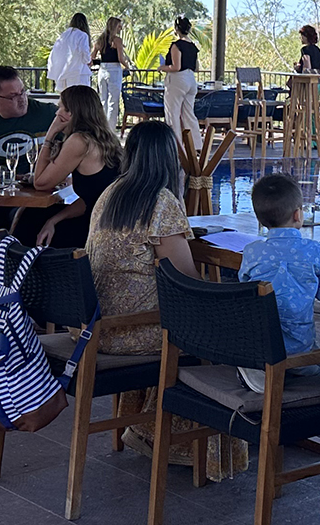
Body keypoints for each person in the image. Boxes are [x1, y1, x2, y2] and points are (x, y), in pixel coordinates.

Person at [85, 121, 245, 478]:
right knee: (216, 330)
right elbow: (185, 281)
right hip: (137, 331)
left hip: (101, 326)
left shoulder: (111, 194)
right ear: (169, 158)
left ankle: (146, 428)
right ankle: (186, 442)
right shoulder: (161, 201)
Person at [236, 173, 320, 392]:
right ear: (298, 214)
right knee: (318, 365)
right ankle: (300, 371)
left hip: (263, 345)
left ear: (259, 218)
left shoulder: (252, 252)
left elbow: (243, 286)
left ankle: (259, 370)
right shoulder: (315, 251)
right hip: (300, 348)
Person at [24, 84, 122, 250]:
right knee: (41, 216)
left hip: (96, 231)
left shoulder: (79, 141)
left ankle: (19, 272)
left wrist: (50, 134)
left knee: (30, 222)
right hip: (108, 222)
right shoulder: (108, 140)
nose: (57, 113)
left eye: (61, 107)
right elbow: (90, 201)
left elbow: (40, 183)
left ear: (73, 113)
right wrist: (53, 220)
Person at [159, 16, 202, 153]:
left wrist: (162, 68)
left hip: (178, 80)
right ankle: (196, 145)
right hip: (191, 79)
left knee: (173, 113)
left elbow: (176, 66)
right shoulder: (193, 47)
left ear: (176, 29)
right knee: (189, 113)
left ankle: (175, 147)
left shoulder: (176, 45)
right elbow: (197, 68)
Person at [93, 16, 127, 130]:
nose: (120, 28)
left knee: (103, 100)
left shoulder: (100, 40)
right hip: (114, 70)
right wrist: (129, 67)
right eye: (119, 26)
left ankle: (102, 128)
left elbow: (92, 57)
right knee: (113, 101)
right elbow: (120, 58)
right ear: (114, 26)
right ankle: (111, 130)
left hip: (102, 70)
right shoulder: (117, 40)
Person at [48, 13, 93, 90]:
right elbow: (85, 53)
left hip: (63, 73)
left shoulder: (64, 35)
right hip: (79, 73)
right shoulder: (82, 35)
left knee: (67, 98)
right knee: (80, 98)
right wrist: (88, 60)